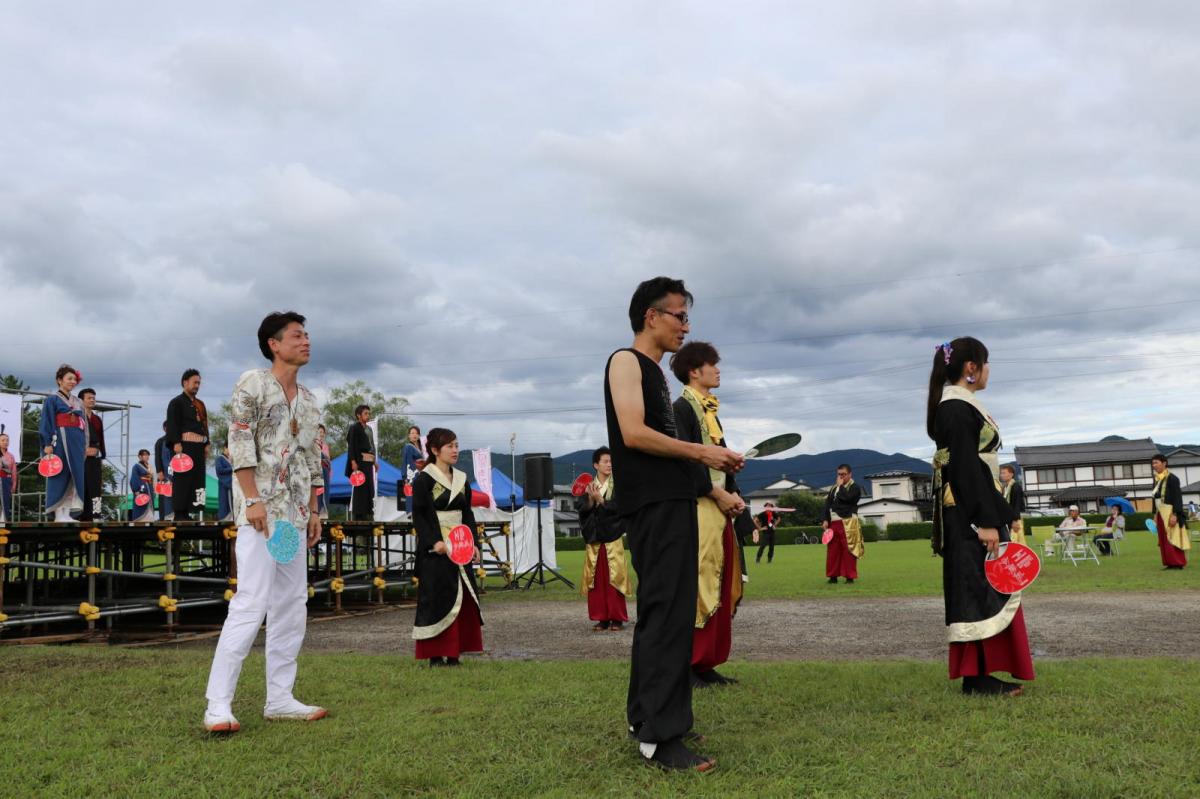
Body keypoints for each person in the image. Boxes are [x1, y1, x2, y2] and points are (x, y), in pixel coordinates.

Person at [604, 277, 742, 772]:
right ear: (651, 316)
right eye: (680, 316)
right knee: (667, 616)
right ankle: (660, 738)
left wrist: (715, 481)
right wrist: (703, 451)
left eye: (687, 317)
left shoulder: (656, 373)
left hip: (675, 500)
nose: (685, 326)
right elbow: (633, 433)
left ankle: (649, 717)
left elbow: (667, 447)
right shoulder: (626, 361)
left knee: (666, 613)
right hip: (654, 506)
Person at [204, 311, 326, 734]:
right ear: (274, 344)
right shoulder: (251, 382)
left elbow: (312, 457)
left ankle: (280, 698)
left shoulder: (309, 400)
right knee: (251, 601)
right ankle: (217, 704)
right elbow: (238, 442)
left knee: (291, 603)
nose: (306, 341)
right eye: (297, 335)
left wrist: (315, 508)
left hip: (291, 521)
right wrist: (251, 498)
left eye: (307, 335)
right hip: (260, 514)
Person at [929, 336, 1033, 696]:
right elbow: (966, 469)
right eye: (986, 363)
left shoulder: (959, 405)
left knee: (982, 585)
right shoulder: (956, 408)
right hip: (968, 512)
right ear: (971, 368)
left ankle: (981, 674)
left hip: (971, 506)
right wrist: (984, 521)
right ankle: (977, 678)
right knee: (977, 587)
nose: (989, 370)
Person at [669, 340, 745, 688]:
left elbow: (715, 462)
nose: (718, 370)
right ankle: (689, 662)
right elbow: (684, 461)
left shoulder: (710, 411)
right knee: (700, 581)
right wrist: (717, 493)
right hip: (698, 507)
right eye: (712, 364)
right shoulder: (680, 409)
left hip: (717, 507)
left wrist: (734, 492)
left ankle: (706, 661)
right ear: (694, 371)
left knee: (719, 578)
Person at [410, 427, 483, 666]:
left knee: (461, 594)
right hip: (437, 548)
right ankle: (434, 654)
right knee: (437, 596)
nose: (455, 450)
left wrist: (474, 543)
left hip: (460, 545)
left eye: (456, 445)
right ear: (434, 450)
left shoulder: (462, 479)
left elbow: (467, 514)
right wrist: (434, 541)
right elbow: (419, 515)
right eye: (450, 446)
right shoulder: (424, 479)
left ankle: (454, 653)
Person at [575, 446, 631, 632]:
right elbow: (582, 509)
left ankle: (617, 618)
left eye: (611, 462)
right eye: (605, 461)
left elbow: (620, 509)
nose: (609, 465)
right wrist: (591, 500)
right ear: (595, 465)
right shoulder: (589, 486)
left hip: (612, 538)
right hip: (595, 540)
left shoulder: (619, 485)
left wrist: (601, 501)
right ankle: (601, 618)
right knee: (596, 581)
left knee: (613, 579)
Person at [40, 365, 86, 522]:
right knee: (60, 474)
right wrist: (47, 443)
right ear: (59, 380)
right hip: (60, 440)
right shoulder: (52, 400)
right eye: (69, 379)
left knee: (75, 475)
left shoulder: (78, 401)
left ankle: (67, 512)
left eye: (74, 379)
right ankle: (58, 513)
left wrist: (85, 444)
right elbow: (46, 422)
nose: (73, 382)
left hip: (77, 440)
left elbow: (83, 424)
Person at [166, 369, 209, 520]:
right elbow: (172, 424)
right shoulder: (176, 402)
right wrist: (176, 443)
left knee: (197, 479)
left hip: (198, 446)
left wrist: (207, 442)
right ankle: (179, 512)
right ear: (185, 383)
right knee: (183, 479)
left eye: (199, 383)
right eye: (194, 382)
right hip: (184, 446)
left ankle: (189, 511)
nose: (197, 385)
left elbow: (204, 424)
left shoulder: (200, 404)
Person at [823, 465, 864, 584]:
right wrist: (825, 519)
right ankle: (833, 576)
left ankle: (849, 576)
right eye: (839, 474)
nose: (841, 477)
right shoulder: (833, 488)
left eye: (843, 474)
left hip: (848, 521)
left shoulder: (855, 487)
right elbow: (827, 504)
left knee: (849, 549)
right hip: (833, 523)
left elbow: (848, 499)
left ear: (850, 474)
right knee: (832, 550)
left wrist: (840, 487)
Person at [1151, 454, 1189, 569]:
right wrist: (1155, 514)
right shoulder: (1157, 479)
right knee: (1163, 538)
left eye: (1156, 462)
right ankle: (1169, 562)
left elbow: (1177, 497)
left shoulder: (1172, 478)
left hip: (1170, 512)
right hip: (1160, 513)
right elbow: (1155, 498)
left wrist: (1175, 514)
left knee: (1173, 537)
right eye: (1153, 463)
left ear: (1164, 463)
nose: (1154, 465)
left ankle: (1177, 563)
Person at [77, 388, 106, 522]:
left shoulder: (97, 419)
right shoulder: (76, 417)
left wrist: (100, 451)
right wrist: (83, 450)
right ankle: (80, 514)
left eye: (93, 398)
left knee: (95, 487)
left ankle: (96, 514)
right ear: (81, 400)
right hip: (79, 457)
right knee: (81, 486)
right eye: (89, 398)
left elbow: (100, 438)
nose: (92, 400)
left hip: (94, 457)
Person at [345, 404, 376, 521]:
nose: (368, 416)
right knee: (360, 486)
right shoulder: (354, 428)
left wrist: (375, 461)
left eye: (369, 413)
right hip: (359, 459)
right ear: (359, 415)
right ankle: (359, 514)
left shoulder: (369, 429)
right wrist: (353, 461)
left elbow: (372, 445)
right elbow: (351, 445)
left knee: (369, 486)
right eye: (365, 413)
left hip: (369, 460)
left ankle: (368, 511)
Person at [1000, 465, 1026, 546]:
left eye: (1004, 473)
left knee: (1017, 541)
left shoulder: (1015, 486)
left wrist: (1015, 520)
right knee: (1012, 541)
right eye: (1001, 473)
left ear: (1011, 474)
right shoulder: (1005, 487)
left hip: (1016, 519)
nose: (1002, 475)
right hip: (1008, 519)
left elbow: (1017, 504)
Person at [402, 425, 423, 516]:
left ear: (419, 436)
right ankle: (411, 512)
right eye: (412, 433)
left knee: (420, 494)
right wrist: (405, 476)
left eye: (416, 433)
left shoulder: (420, 448)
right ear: (409, 436)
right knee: (411, 492)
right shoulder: (408, 446)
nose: (414, 435)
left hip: (420, 472)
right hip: (412, 472)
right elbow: (406, 461)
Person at [129, 448, 155, 523]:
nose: (147, 457)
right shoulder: (136, 466)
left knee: (149, 505)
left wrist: (153, 488)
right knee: (141, 506)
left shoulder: (149, 467)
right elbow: (134, 478)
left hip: (149, 489)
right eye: (144, 455)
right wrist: (136, 490)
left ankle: (150, 520)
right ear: (140, 456)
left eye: (147, 455)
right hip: (141, 490)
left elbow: (152, 479)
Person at [154, 422, 173, 521]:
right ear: (164, 428)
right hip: (164, 473)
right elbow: (157, 458)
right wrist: (159, 471)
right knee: (164, 495)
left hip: (175, 473)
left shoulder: (176, 441)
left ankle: (174, 514)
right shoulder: (160, 441)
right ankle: (164, 516)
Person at [0, 432, 17, 524]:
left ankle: (4, 521)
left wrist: (14, 484)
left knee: (6, 502)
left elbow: (14, 472)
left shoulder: (11, 456)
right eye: (3, 440)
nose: (5, 442)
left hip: (6, 481)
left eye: (7, 440)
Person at [215, 444, 234, 523]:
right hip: (224, 484)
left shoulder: (230, 459)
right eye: (229, 448)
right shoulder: (219, 458)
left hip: (231, 484)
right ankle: (225, 518)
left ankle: (232, 517)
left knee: (232, 502)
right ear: (225, 448)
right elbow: (220, 470)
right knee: (224, 502)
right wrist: (232, 468)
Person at [316, 425, 331, 520]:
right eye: (319, 432)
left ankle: (323, 511)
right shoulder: (313, 444)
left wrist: (324, 458)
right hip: (315, 471)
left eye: (322, 432)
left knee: (323, 491)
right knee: (316, 492)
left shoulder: (325, 446)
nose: (321, 434)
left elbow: (328, 460)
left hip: (324, 471)